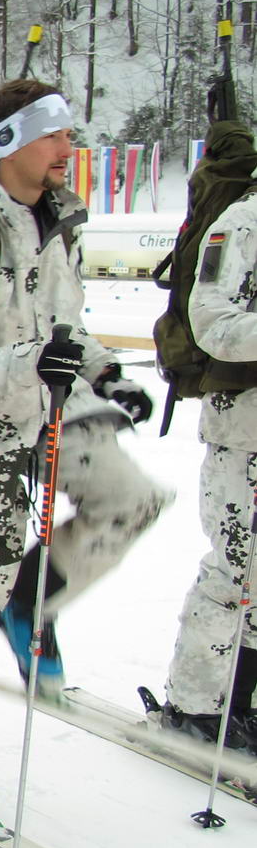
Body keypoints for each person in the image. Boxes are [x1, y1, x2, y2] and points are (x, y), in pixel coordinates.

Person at [0, 78, 170, 815]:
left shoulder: (53, 222)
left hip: (43, 414)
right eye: (53, 135)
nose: (67, 148)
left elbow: (64, 323)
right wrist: (27, 366)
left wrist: (103, 372)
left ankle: (31, 598)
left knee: (132, 498)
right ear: (11, 141)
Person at [158, 191, 257, 750]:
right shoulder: (243, 220)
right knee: (233, 572)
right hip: (244, 430)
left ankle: (242, 701)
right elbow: (211, 322)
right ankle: (193, 705)